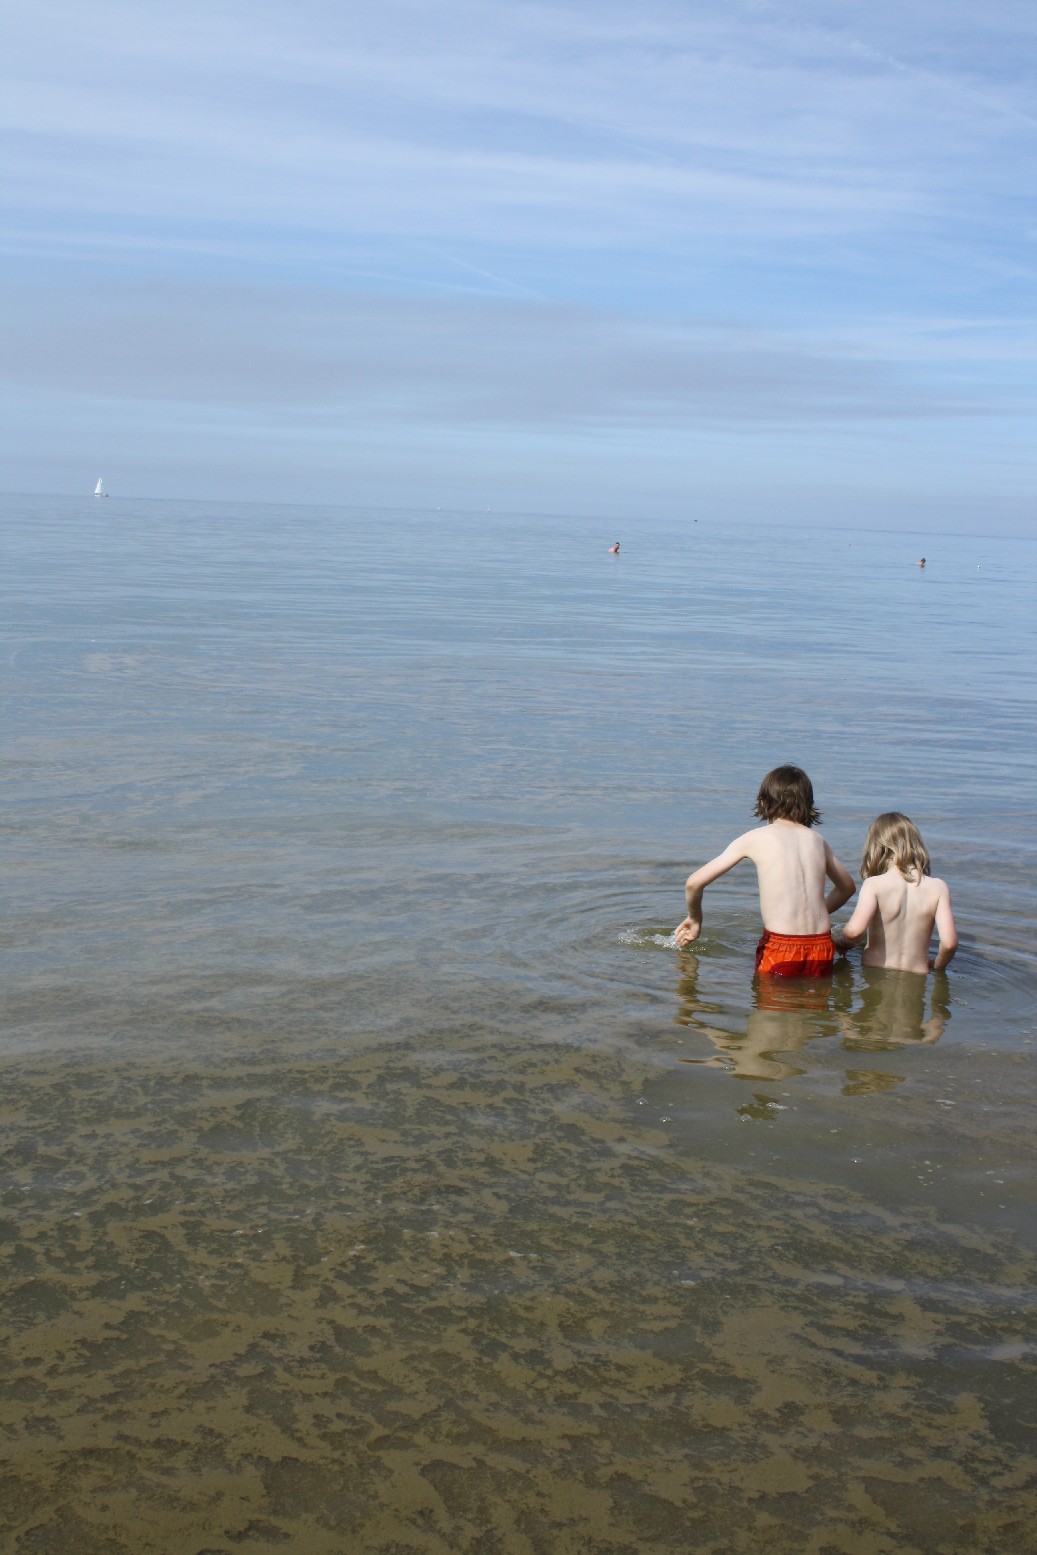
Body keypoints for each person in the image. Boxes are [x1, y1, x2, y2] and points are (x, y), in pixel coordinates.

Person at [675, 765, 856, 976]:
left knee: (771, 1006)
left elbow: (694, 882)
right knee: (814, 1006)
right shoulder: (817, 840)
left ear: (763, 802)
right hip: (821, 945)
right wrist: (818, 911)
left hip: (782, 945)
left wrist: (695, 919)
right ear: (808, 804)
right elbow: (847, 888)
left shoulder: (756, 837)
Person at [834, 812, 957, 974]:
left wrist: (841, 942)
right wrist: (937, 965)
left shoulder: (874, 885)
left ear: (878, 848)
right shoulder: (938, 887)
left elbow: (854, 932)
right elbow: (949, 944)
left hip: (874, 972)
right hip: (916, 976)